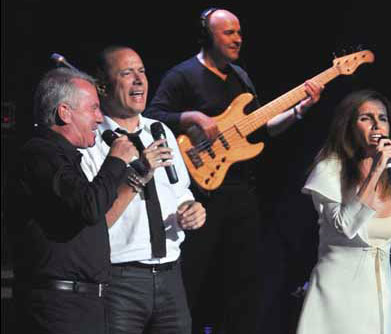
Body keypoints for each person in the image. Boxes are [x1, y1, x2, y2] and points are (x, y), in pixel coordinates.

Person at [146, 8, 323, 333]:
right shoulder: (182, 75)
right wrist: (192, 118)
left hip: (241, 192)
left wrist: (299, 110)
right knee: (194, 276)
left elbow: (263, 128)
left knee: (244, 281)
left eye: (239, 32)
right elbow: (153, 117)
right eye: (228, 32)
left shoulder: (241, 77)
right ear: (207, 36)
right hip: (200, 193)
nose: (237, 38)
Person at [296, 89, 391, 334]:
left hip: (380, 298)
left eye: (383, 118)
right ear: (349, 126)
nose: (377, 125)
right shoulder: (329, 171)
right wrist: (376, 170)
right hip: (335, 298)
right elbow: (345, 225)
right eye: (366, 118)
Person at [80, 45, 206, 334]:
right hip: (119, 279)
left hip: (170, 274)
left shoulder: (160, 130)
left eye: (142, 72)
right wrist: (140, 170)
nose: (139, 80)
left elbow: (180, 191)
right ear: (103, 86)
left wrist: (192, 210)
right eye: (127, 73)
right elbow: (93, 215)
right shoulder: (92, 141)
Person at [10, 67, 138, 334]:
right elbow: (89, 206)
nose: (100, 118)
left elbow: (95, 214)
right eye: (93, 108)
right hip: (58, 308)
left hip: (87, 304)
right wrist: (115, 161)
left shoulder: (66, 159)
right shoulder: (40, 154)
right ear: (64, 112)